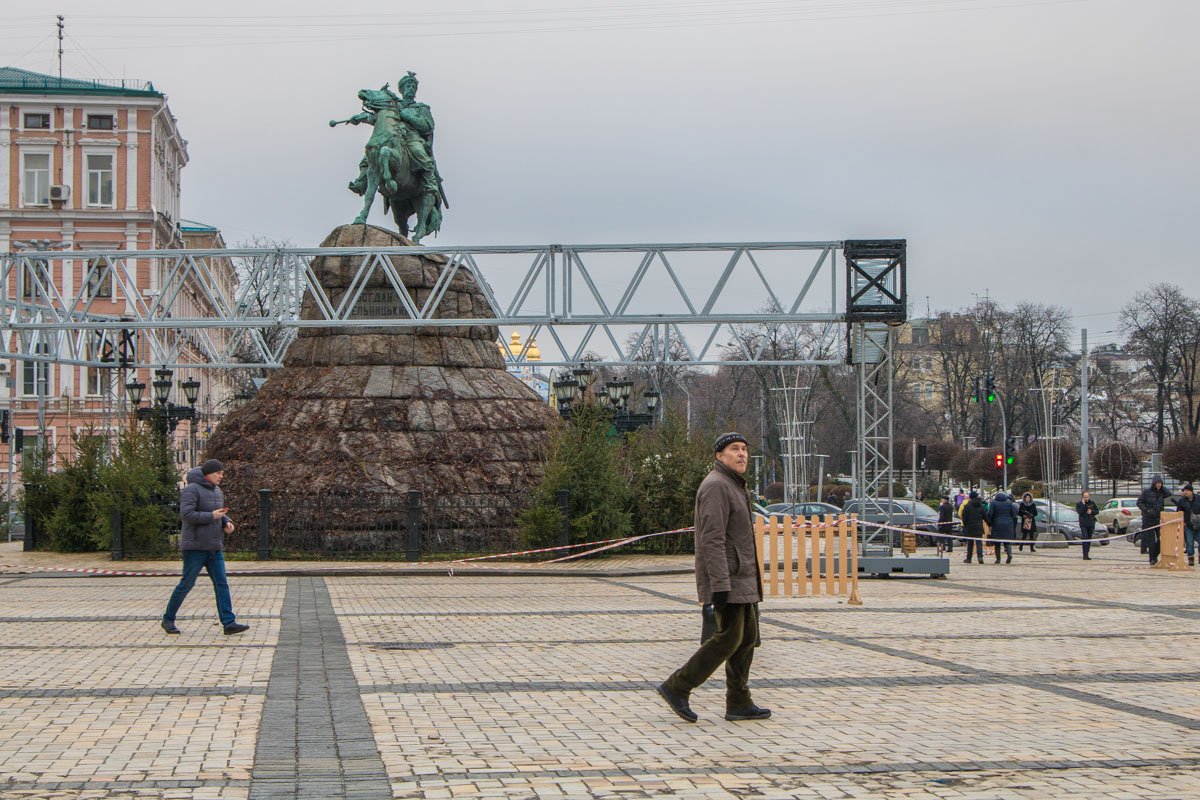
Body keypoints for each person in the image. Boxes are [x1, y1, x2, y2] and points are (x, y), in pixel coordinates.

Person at [658, 432, 769, 723]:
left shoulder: (734, 485)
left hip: (742, 576)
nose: (742, 454)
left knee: (747, 638)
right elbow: (712, 539)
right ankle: (677, 686)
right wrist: (720, 584)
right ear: (719, 456)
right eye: (734, 449)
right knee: (728, 637)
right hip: (728, 578)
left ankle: (739, 701)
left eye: (744, 449)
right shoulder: (717, 486)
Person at [161, 459, 249, 636]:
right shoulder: (191, 490)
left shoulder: (217, 491)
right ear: (208, 473)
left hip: (214, 547)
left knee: (222, 583)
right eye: (218, 473)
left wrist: (227, 521)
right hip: (195, 547)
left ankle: (229, 623)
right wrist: (211, 516)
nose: (221, 476)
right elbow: (186, 514)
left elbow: (219, 513)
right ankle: (168, 619)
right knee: (186, 584)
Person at [1136, 475, 1170, 565]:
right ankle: (1152, 559)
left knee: (1161, 539)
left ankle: (1155, 554)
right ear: (1153, 483)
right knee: (1151, 540)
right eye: (1157, 483)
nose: (1159, 485)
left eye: (1160, 483)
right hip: (1148, 519)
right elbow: (1139, 502)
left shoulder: (1162, 492)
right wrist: (1146, 510)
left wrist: (1162, 488)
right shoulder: (1147, 492)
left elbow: (1169, 493)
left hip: (1159, 519)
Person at [985, 491, 1018, 564]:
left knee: (997, 543)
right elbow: (1013, 514)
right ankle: (1009, 554)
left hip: (997, 524)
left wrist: (989, 522)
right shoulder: (1009, 502)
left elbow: (990, 514)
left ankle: (998, 559)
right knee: (1007, 542)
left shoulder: (993, 503)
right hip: (1008, 525)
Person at [959, 490, 986, 564]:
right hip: (979, 526)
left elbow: (964, 517)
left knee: (970, 543)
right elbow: (985, 516)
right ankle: (980, 557)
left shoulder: (967, 506)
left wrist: (965, 524)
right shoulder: (981, 506)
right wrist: (990, 523)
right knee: (979, 543)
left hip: (970, 527)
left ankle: (969, 558)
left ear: (970, 498)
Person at [1175, 483, 1198, 567]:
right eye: (1184, 490)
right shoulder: (1181, 501)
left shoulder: (1198, 499)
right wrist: (1183, 522)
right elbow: (1178, 513)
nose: (1185, 492)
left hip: (1198, 524)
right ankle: (1191, 559)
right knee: (1189, 543)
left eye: (1187, 490)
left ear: (1191, 491)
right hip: (1188, 525)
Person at [1075, 491, 1099, 560]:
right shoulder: (1079, 504)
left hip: (1091, 523)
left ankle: (1087, 554)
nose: (1086, 498)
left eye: (1087, 497)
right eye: (1085, 497)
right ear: (1082, 497)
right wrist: (1083, 505)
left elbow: (1097, 511)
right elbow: (1080, 512)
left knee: (1089, 539)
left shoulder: (1092, 503)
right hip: (1083, 524)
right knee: (1085, 538)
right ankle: (1084, 555)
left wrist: (1092, 512)